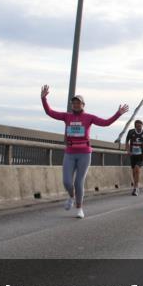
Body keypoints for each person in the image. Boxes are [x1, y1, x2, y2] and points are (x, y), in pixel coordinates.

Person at [40, 86, 128, 219]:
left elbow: (105, 123)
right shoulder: (66, 116)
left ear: (83, 105)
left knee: (78, 182)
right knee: (67, 182)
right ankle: (71, 196)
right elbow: (49, 112)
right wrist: (43, 98)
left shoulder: (89, 117)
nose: (75, 105)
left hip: (84, 153)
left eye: (78, 103)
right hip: (70, 152)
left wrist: (118, 114)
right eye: (74, 103)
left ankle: (79, 208)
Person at [125, 119, 143, 197]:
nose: (139, 128)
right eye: (137, 126)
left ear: (142, 126)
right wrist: (128, 150)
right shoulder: (131, 132)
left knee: (137, 169)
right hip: (133, 154)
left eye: (140, 126)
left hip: (141, 155)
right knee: (134, 171)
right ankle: (136, 184)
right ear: (135, 126)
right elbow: (127, 141)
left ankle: (136, 187)